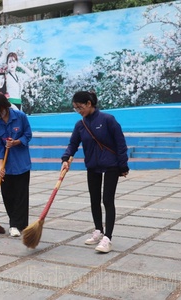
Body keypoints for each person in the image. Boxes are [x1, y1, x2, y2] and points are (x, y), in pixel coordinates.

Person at [61, 91, 129, 253]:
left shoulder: (107, 120)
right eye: (76, 108)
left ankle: (108, 238)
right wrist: (65, 158)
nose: (79, 111)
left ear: (89, 104)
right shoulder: (80, 125)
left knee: (107, 200)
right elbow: (73, 144)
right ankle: (98, 230)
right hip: (92, 166)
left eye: (80, 107)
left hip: (111, 165)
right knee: (94, 199)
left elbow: (120, 143)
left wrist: (123, 165)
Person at [0, 92, 32, 237]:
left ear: (5, 107)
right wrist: (1, 166)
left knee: (21, 195)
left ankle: (18, 225)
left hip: (21, 163)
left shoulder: (20, 117)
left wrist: (16, 142)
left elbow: (28, 135)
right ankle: (14, 222)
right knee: (7, 194)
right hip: (6, 164)